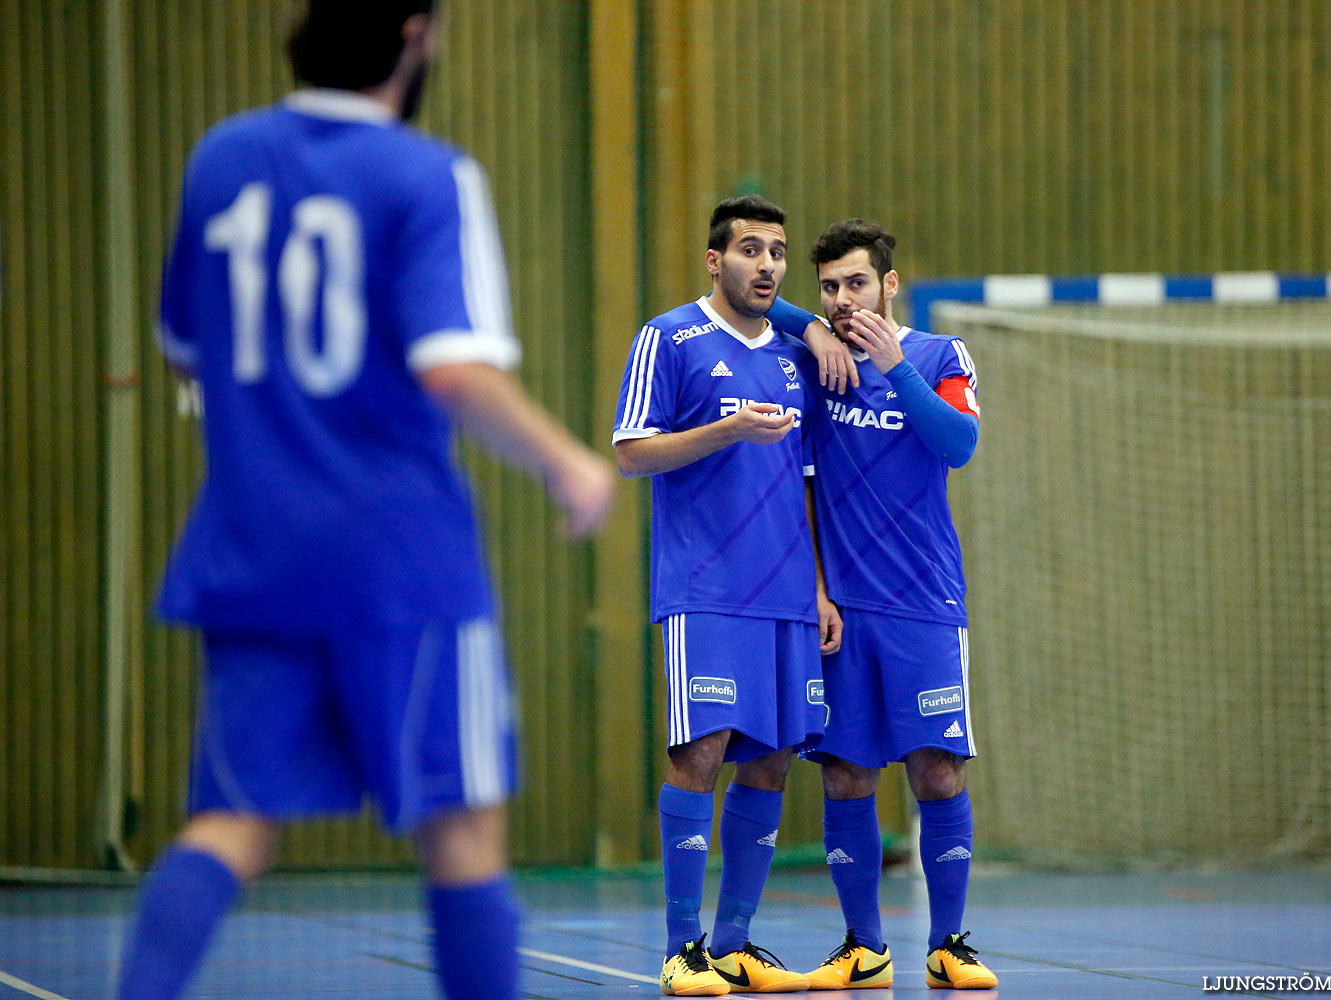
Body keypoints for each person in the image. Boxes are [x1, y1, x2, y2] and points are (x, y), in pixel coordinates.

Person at [115, 3, 615, 999]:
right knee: (461, 822)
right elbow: (451, 367)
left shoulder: (220, 157)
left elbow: (183, 341)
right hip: (402, 559)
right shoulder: (426, 174)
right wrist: (568, 460)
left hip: (252, 551)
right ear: (417, 35)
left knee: (233, 821)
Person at [613, 194, 839, 997]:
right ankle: (683, 950)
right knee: (700, 753)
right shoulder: (667, 337)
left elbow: (808, 480)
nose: (767, 264)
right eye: (750, 249)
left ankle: (735, 944)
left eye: (777, 251)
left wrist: (818, 586)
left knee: (773, 762)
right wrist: (724, 430)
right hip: (704, 588)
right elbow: (632, 454)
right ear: (717, 261)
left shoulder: (793, 355)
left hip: (785, 591)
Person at [787, 219, 998, 991]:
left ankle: (949, 942)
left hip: (924, 604)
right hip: (844, 607)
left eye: (857, 284)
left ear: (890, 285)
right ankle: (863, 945)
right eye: (832, 288)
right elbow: (765, 308)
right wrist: (816, 333)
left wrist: (893, 365)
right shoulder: (815, 361)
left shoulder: (941, 356)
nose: (845, 300)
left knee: (937, 769)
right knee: (845, 774)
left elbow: (959, 444)